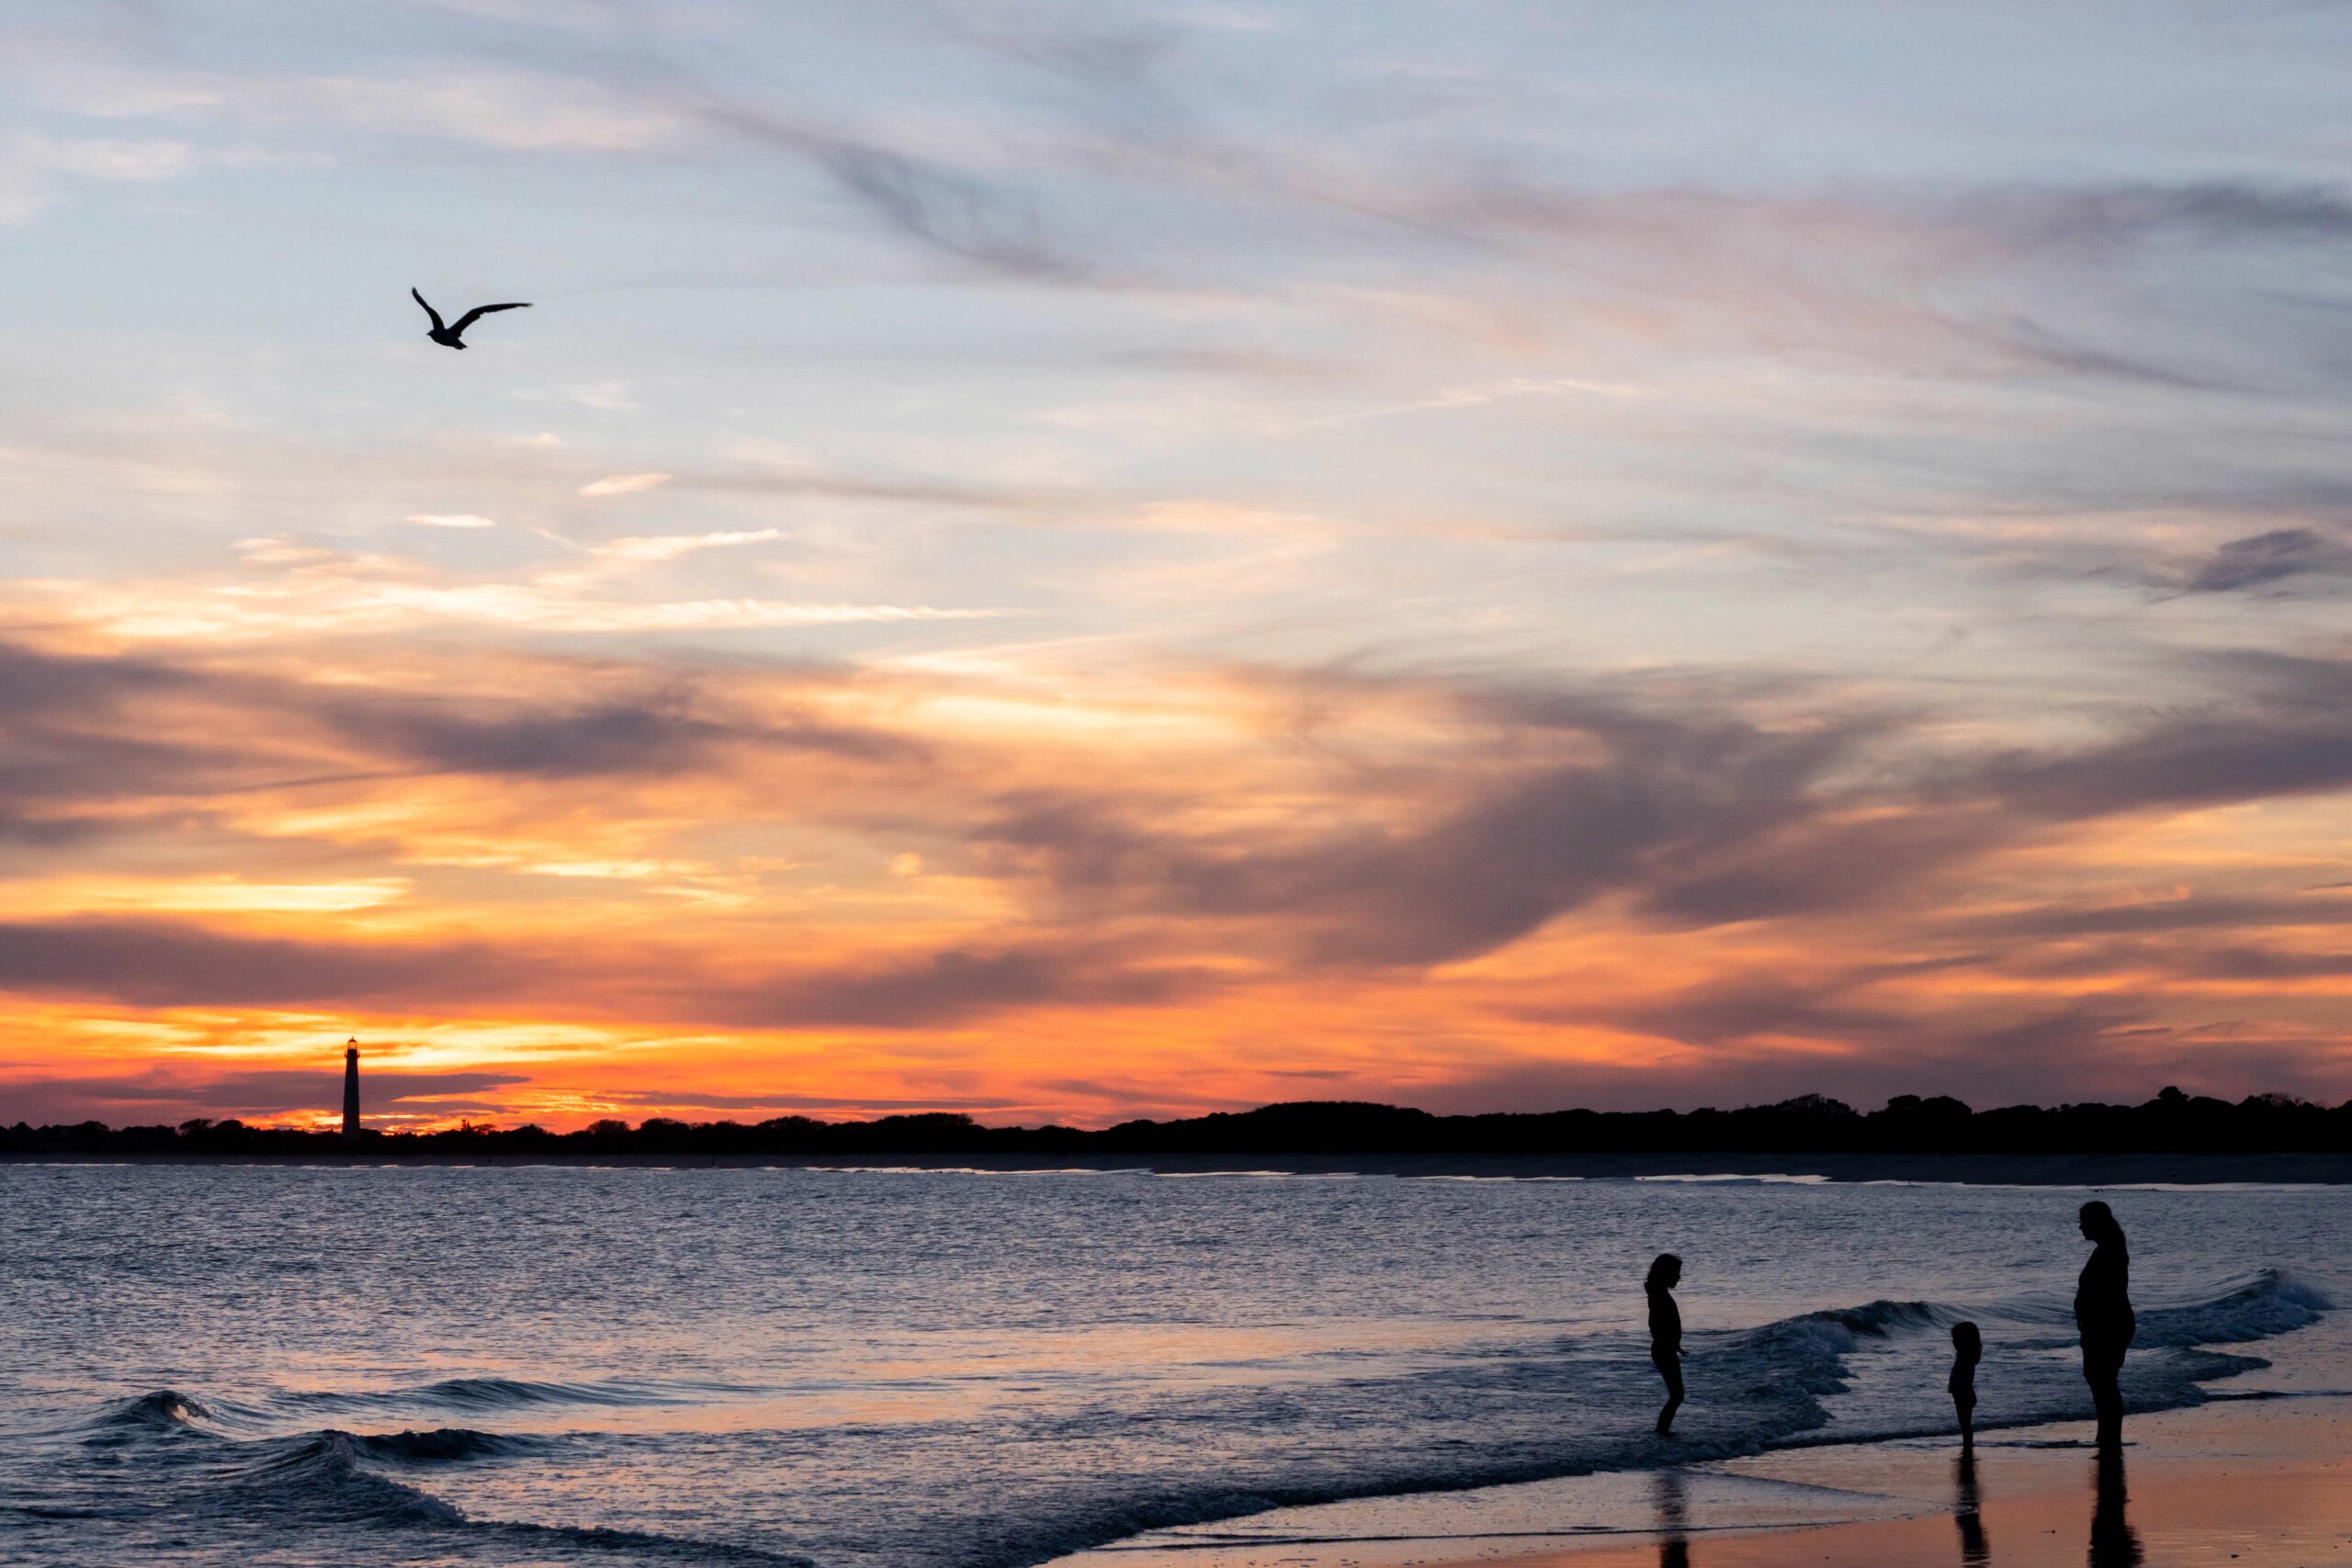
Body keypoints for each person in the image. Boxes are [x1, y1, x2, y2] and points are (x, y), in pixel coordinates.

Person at [2075, 1201, 2134, 1448]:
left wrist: (2091, 1323)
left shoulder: (2110, 1250)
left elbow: (2106, 1294)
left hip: (2108, 1326)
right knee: (2102, 1379)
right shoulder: (2109, 1248)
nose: (2080, 1227)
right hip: (2106, 1324)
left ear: (2095, 1222)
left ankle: (2110, 1437)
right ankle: (2107, 1435)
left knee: (2103, 1380)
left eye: (2083, 1221)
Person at [1646, 1252, 1684, 1436]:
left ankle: (1662, 1431)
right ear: (1665, 1273)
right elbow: (1655, 1323)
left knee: (1677, 1395)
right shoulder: (1658, 1295)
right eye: (1676, 1273)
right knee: (1677, 1395)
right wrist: (1667, 1343)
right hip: (1663, 1349)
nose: (1679, 1277)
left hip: (1666, 1347)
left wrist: (1676, 1344)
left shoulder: (1659, 1293)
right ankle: (1661, 1432)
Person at [1948, 1320, 1982, 1447]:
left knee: (1964, 1423)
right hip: (1963, 1393)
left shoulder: (1965, 1358)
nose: (1953, 1342)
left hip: (1963, 1393)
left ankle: (1968, 1445)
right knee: (1965, 1423)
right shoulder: (1965, 1356)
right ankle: (1967, 1444)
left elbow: (1964, 1378)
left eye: (1956, 1339)